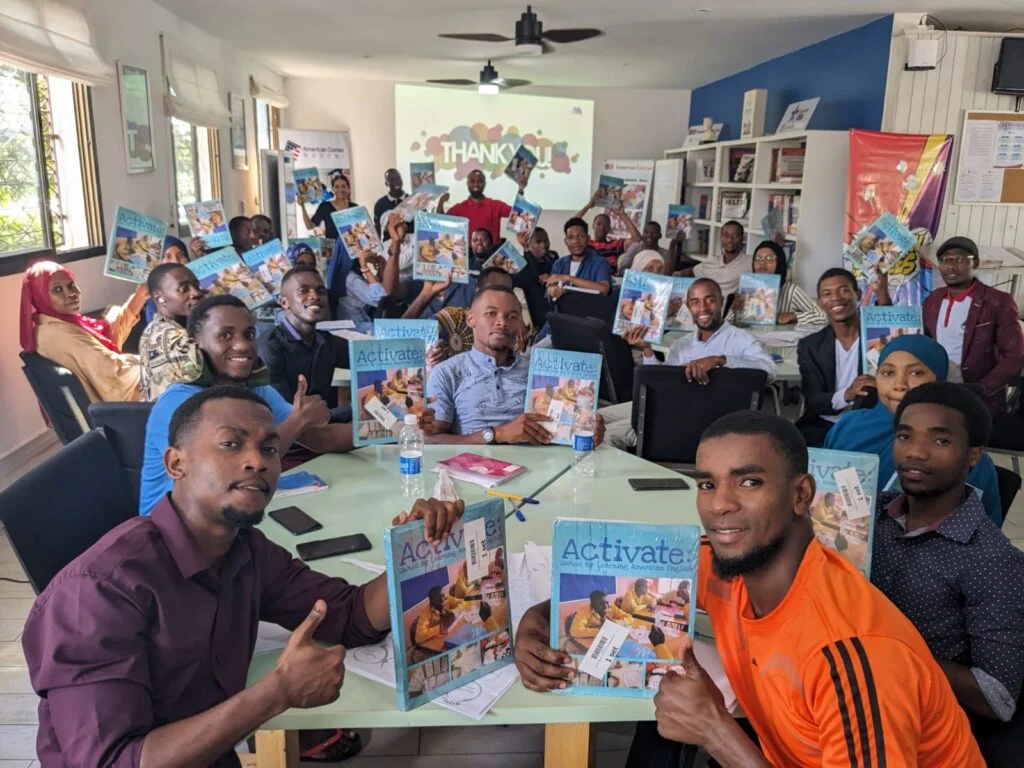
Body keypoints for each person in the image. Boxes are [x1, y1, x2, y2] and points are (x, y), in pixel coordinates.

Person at [23, 384, 465, 766]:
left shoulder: (244, 550)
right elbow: (113, 762)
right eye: (231, 444)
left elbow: (347, 615)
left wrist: (414, 552)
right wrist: (277, 692)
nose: (257, 461)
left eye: (270, 447)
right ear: (176, 464)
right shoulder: (96, 594)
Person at [512, 411, 985, 767]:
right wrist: (535, 622)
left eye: (750, 482)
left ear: (802, 494)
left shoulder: (851, 653)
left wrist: (717, 733)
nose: (719, 506)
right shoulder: (727, 564)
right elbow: (613, 586)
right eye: (706, 484)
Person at [872, 382, 1024, 766]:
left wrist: (885, 654)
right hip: (833, 686)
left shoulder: (991, 559)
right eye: (905, 436)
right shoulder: (868, 517)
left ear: (974, 455)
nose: (915, 453)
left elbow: (998, 698)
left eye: (939, 442)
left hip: (917, 728)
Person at [137, 295, 386, 515]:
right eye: (225, 335)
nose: (243, 345)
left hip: (226, 521)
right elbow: (237, 470)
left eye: (249, 335)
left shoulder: (256, 389)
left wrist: (392, 427)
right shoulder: (180, 401)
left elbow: (320, 439)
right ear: (195, 342)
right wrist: (299, 419)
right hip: (173, 532)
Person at [824, 334, 1002, 524]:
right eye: (888, 373)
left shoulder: (963, 451)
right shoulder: (848, 426)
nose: (900, 385)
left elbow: (977, 532)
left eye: (916, 373)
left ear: (939, 379)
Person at [600, 278, 775, 450]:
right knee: (598, 418)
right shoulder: (681, 344)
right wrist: (647, 350)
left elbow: (769, 370)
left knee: (606, 434)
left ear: (721, 302)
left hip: (698, 419)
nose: (703, 308)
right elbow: (662, 383)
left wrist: (721, 360)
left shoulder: (740, 338)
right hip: (667, 405)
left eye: (710, 300)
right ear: (688, 306)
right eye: (695, 302)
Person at [426, 284, 605, 444]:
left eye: (512, 316)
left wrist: (586, 434)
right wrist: (497, 434)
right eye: (491, 313)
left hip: (541, 469)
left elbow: (562, 432)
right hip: (475, 470)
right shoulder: (447, 372)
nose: (502, 322)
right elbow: (430, 440)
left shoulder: (541, 372)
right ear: (471, 319)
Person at [20, 260, 147, 403]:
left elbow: (107, 335)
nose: (71, 294)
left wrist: (140, 295)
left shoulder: (53, 325)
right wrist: (157, 359)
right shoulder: (61, 335)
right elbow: (112, 371)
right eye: (57, 290)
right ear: (39, 296)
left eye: (71, 285)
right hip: (121, 412)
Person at [923, 236, 1024, 414]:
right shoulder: (934, 299)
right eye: (945, 260)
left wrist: (982, 388)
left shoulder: (997, 301)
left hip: (978, 398)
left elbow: (1015, 356)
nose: (951, 266)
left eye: (960, 260)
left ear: (975, 262)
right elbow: (923, 340)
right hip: (938, 393)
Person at [795, 268, 877, 448]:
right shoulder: (810, 346)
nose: (836, 298)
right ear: (820, 303)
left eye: (844, 290)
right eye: (827, 294)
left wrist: (883, 296)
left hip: (866, 424)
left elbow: (899, 329)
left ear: (858, 294)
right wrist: (847, 394)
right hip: (824, 425)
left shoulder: (876, 337)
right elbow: (814, 400)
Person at [258, 267, 352, 422]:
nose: (315, 296)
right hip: (291, 435)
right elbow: (284, 414)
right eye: (304, 290)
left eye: (321, 291)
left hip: (331, 430)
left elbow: (344, 396)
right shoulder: (269, 348)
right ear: (284, 302)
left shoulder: (337, 345)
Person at [138, 263, 204, 401]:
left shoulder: (152, 329)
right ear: (159, 298)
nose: (196, 293)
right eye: (184, 289)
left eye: (196, 286)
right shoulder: (178, 340)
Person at [730, 241, 825, 326]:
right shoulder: (747, 287)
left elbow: (823, 316)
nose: (762, 264)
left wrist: (794, 316)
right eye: (758, 259)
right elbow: (728, 323)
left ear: (779, 262)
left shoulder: (790, 291)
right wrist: (736, 313)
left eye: (769, 259)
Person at [439, 169, 521, 242]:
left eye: (480, 181)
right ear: (467, 184)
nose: (476, 184)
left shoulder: (496, 205)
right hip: (468, 256)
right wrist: (441, 201)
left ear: (484, 184)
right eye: (472, 181)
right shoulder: (459, 208)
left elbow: (518, 215)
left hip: (491, 255)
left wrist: (521, 189)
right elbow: (439, 224)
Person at [543, 218, 613, 301]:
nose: (576, 241)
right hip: (561, 312)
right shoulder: (559, 264)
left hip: (589, 312)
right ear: (566, 241)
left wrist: (568, 278)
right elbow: (549, 290)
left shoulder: (600, 262)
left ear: (588, 239)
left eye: (581, 236)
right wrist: (551, 290)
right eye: (571, 237)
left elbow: (604, 289)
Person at [573, 188, 642, 269]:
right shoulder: (587, 244)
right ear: (593, 226)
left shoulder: (615, 245)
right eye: (599, 224)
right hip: (589, 279)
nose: (602, 227)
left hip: (610, 278)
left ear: (609, 228)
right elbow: (571, 226)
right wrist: (588, 206)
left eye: (605, 225)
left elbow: (637, 240)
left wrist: (622, 215)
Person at [679, 221, 747, 299]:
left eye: (735, 236)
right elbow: (684, 273)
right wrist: (673, 244)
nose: (730, 240)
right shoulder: (711, 262)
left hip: (732, 308)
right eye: (726, 235)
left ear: (742, 238)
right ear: (721, 238)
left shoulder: (750, 262)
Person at [299, 170, 357, 241]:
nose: (341, 190)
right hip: (333, 250)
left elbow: (360, 229)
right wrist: (302, 206)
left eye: (344, 186)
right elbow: (309, 226)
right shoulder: (325, 207)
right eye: (337, 187)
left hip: (351, 250)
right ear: (333, 189)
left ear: (348, 188)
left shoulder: (355, 207)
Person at [372, 168, 407, 233]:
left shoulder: (413, 200)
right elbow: (377, 228)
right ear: (386, 183)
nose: (396, 182)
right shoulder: (380, 204)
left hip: (411, 240)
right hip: (389, 242)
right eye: (392, 180)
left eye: (398, 178)